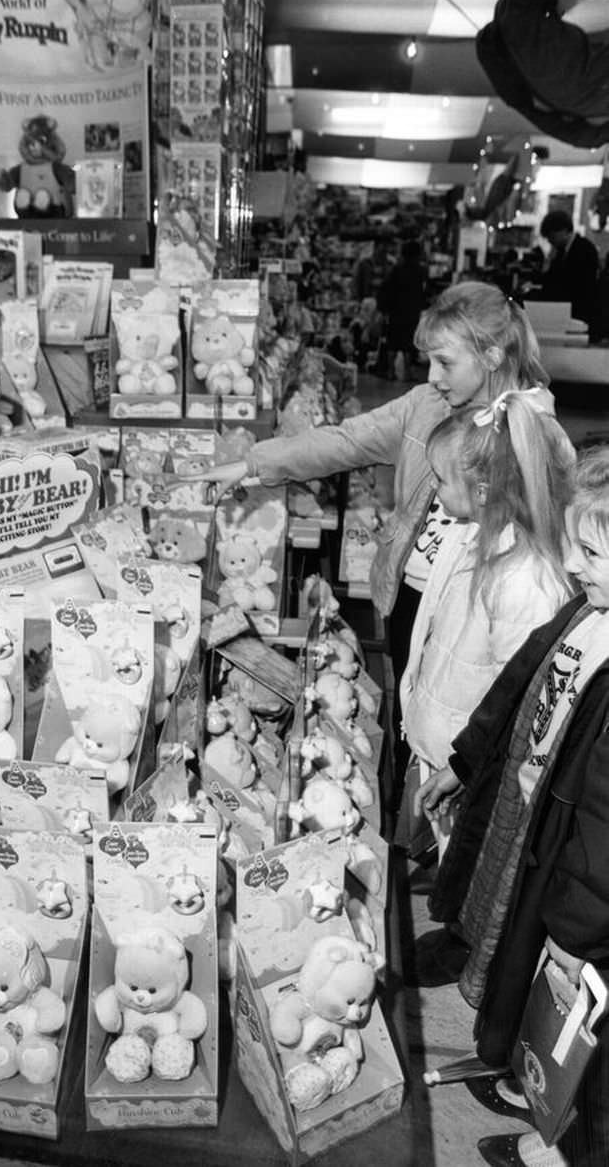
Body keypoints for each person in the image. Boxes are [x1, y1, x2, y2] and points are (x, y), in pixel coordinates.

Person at [194, 281, 554, 805]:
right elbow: (345, 440)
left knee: (470, 729)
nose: (432, 377)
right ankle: (419, 812)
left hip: (484, 616)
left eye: (445, 363)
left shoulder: (531, 432)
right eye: (428, 361)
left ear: (493, 355)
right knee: (418, 710)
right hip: (416, 592)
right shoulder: (426, 405)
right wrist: (252, 464)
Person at [416, 446, 609, 1167]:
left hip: (576, 887)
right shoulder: (585, 609)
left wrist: (577, 925)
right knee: (517, 974)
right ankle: (542, 1104)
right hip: (532, 829)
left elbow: (604, 823)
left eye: (589, 549)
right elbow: (520, 678)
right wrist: (467, 757)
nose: (572, 561)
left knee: (578, 1035)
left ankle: (567, 1143)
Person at [399, 392, 574, 860]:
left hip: (474, 768)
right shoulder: (476, 539)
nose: (433, 489)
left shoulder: (525, 581)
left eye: (440, 478)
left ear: (482, 491)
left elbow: (516, 697)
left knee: (469, 867)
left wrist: (463, 764)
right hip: (451, 753)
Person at [538, 208, 600, 338]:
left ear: (564, 230)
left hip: (579, 314)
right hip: (563, 312)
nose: (550, 241)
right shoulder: (560, 252)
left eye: (552, 236)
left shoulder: (585, 249)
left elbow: (581, 286)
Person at [375, 238, 428, 380]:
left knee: (393, 341)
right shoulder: (420, 271)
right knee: (409, 343)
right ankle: (407, 372)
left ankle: (391, 371)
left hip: (395, 311)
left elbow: (386, 289)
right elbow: (422, 292)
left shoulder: (397, 270)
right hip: (411, 312)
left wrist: (384, 309)